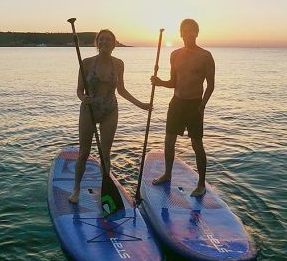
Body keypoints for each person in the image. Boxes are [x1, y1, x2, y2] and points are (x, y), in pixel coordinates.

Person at [69, 29, 151, 203]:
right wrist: (84, 98)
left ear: (114, 44)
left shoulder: (119, 64)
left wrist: (141, 105)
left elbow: (121, 90)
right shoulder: (86, 63)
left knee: (105, 153)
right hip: (88, 111)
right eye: (101, 39)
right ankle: (76, 189)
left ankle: (105, 191)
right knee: (84, 153)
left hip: (110, 111)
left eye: (108, 40)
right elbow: (79, 90)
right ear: (97, 43)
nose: (104, 42)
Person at [150, 18, 215, 196]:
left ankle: (201, 184)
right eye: (185, 31)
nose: (188, 34)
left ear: (197, 33)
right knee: (169, 141)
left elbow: (210, 85)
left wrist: (203, 105)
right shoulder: (175, 55)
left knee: (197, 144)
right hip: (176, 103)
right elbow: (173, 82)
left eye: (192, 30)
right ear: (181, 33)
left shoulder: (205, 56)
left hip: (195, 105)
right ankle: (167, 174)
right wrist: (159, 82)